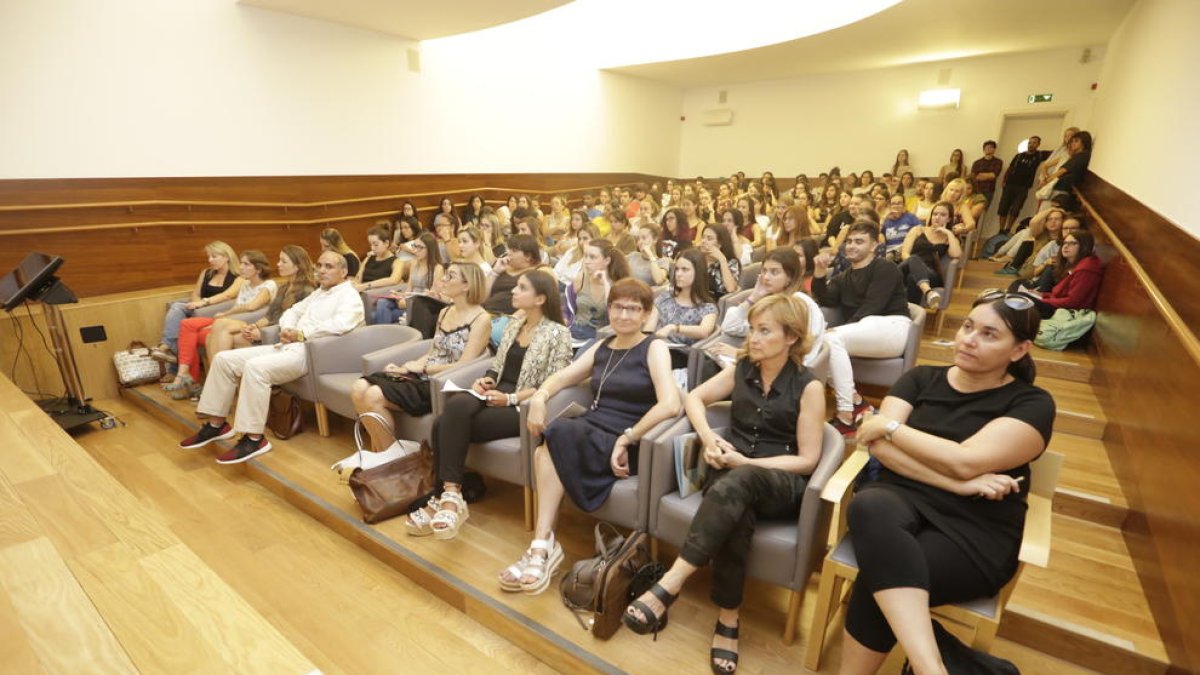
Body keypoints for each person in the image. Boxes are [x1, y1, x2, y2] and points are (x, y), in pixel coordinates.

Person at [837, 292, 1054, 675]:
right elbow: (880, 451)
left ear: (1019, 350)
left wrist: (891, 426)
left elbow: (965, 460)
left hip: (974, 529)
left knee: (882, 576)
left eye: (989, 334)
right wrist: (957, 483)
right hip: (899, 498)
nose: (969, 339)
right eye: (968, 327)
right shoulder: (920, 378)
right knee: (870, 507)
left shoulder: (1033, 403)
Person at [624, 294, 825, 673]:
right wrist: (709, 439)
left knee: (741, 480)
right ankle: (728, 618)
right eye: (752, 329)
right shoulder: (743, 367)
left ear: (792, 338)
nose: (754, 338)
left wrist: (746, 461)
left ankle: (671, 583)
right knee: (737, 506)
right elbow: (696, 398)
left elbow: (808, 459)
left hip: (781, 480)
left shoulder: (808, 386)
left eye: (765, 331)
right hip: (730, 469)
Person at [498, 279, 681, 595]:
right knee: (549, 445)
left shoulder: (654, 348)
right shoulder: (602, 347)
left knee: (555, 434)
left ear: (647, 314)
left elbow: (670, 403)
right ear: (609, 309)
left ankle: (542, 548)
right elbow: (563, 377)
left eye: (633, 309)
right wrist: (540, 397)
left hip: (628, 440)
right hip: (592, 431)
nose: (624, 315)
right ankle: (542, 545)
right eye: (618, 307)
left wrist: (627, 438)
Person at [411, 269, 572, 540]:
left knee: (443, 424)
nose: (513, 291)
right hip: (496, 393)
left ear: (540, 298)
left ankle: (444, 497)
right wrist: (486, 380)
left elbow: (554, 382)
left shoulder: (558, 333)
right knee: (456, 407)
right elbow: (497, 367)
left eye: (521, 288)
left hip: (522, 405)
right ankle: (451, 495)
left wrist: (510, 398)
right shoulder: (514, 324)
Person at [179, 251, 364, 464]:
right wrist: (287, 329)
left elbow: (341, 325)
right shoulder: (319, 293)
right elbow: (291, 312)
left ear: (344, 271)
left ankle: (254, 438)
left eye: (329, 266)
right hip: (288, 345)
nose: (322, 270)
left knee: (256, 368)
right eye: (320, 265)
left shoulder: (349, 296)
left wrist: (301, 334)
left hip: (312, 353)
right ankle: (216, 424)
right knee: (223, 360)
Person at [351, 263, 491, 450]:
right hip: (424, 373)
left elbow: (465, 365)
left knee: (373, 395)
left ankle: (387, 460)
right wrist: (406, 367)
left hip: (442, 382)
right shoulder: (445, 311)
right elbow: (434, 352)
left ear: (467, 285)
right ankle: (388, 455)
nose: (442, 280)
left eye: (450, 276)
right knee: (358, 387)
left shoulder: (481, 319)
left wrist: (423, 369)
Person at [813, 222, 911, 438]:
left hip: (893, 327)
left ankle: (846, 414)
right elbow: (827, 298)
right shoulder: (844, 276)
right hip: (864, 329)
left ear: (874, 245)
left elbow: (872, 307)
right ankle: (856, 402)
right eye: (849, 241)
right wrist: (820, 274)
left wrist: (837, 332)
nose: (851, 246)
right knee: (820, 343)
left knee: (830, 340)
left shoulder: (885, 268)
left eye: (859, 241)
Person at [164, 250, 277, 399]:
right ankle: (184, 376)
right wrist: (225, 313)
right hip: (229, 319)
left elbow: (251, 307)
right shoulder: (245, 283)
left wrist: (225, 314)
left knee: (194, 336)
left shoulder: (268, 285)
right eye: (241, 263)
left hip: (243, 322)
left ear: (258, 268)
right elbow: (234, 301)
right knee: (186, 325)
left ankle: (192, 382)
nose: (241, 267)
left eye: (246, 264)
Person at [711, 248, 826, 369]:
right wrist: (754, 296)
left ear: (790, 278)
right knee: (712, 356)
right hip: (765, 364)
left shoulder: (800, 302)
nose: (766, 277)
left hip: (787, 373)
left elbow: (799, 355)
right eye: (764, 271)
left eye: (774, 272)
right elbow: (729, 326)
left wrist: (740, 355)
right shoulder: (769, 300)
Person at [206, 246, 315, 364]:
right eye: (279, 260)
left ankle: (217, 378)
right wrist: (255, 326)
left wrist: (262, 333)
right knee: (214, 335)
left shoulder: (307, 291)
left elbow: (296, 325)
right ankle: (221, 379)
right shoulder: (284, 288)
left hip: (279, 336)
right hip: (266, 330)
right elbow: (269, 316)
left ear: (297, 266)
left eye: (283, 261)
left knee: (221, 327)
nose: (278, 264)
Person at [151, 241, 238, 367]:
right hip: (200, 307)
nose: (210, 260)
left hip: (217, 310)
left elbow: (228, 295)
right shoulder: (206, 272)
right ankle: (169, 351)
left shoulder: (237, 276)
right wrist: (196, 303)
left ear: (226, 257)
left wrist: (203, 303)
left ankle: (168, 349)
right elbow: (196, 293)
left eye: (214, 256)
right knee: (176, 308)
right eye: (209, 256)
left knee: (177, 309)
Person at [648, 248, 717, 368]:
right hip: (656, 350)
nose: (678, 274)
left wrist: (674, 328)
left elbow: (704, 331)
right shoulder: (666, 296)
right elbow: (649, 327)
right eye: (677, 269)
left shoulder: (708, 308)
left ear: (698, 272)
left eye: (685, 269)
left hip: (680, 359)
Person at [1010, 231, 1103, 319]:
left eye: (1072, 243)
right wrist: (1042, 295)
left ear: (1084, 246)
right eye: (1065, 243)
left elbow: (1072, 302)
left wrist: (1042, 300)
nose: (1066, 246)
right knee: (1018, 286)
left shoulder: (1086, 268)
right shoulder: (1077, 264)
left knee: (1019, 297)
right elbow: (1061, 295)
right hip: (1057, 305)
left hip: (1063, 311)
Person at [899, 202, 963, 310]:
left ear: (949, 219)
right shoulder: (918, 230)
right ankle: (928, 293)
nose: (937, 217)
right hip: (907, 267)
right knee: (914, 259)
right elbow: (905, 254)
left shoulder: (949, 238)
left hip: (930, 274)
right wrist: (915, 265)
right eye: (935, 214)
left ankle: (907, 314)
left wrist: (949, 233)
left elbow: (956, 254)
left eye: (943, 215)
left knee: (913, 278)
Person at [372, 232, 443, 325]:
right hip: (408, 300)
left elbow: (432, 298)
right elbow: (409, 288)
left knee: (376, 315)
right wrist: (400, 295)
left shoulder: (437, 268)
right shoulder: (414, 263)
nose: (415, 250)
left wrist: (407, 302)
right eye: (414, 246)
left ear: (430, 249)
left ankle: (383, 336)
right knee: (382, 302)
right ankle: (386, 335)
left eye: (420, 247)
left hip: (420, 305)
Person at [569, 239, 630, 340]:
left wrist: (606, 284)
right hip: (575, 333)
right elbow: (567, 310)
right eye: (585, 256)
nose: (587, 261)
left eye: (592, 257)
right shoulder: (581, 278)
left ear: (607, 261)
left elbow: (615, 317)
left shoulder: (617, 285)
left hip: (601, 337)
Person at [997, 136, 1050, 233]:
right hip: (1010, 184)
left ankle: (1008, 229)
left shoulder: (1040, 155)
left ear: (1038, 144)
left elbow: (1055, 153)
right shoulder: (1019, 156)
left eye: (1034, 142)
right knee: (1003, 207)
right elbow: (1010, 169)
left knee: (1016, 209)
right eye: (1030, 142)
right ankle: (1001, 230)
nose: (1031, 144)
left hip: (1023, 187)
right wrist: (1004, 181)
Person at [482, 234, 543, 315]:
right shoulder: (502, 268)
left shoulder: (536, 273)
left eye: (514, 250)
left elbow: (533, 304)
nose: (508, 253)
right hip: (485, 313)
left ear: (528, 256)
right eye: (508, 249)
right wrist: (495, 272)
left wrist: (511, 322)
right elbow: (482, 298)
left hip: (508, 319)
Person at [355, 226, 405, 323]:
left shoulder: (397, 261)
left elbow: (394, 279)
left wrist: (366, 286)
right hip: (365, 297)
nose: (372, 248)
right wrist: (354, 284)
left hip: (383, 297)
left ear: (386, 243)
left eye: (376, 245)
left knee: (376, 314)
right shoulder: (368, 259)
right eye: (370, 245)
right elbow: (358, 278)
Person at [1042, 131, 1093, 200]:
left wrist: (1045, 182)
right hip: (1060, 188)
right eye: (1072, 141)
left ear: (1084, 142)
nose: (1073, 144)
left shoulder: (1082, 155)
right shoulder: (1078, 155)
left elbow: (1061, 171)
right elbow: (1046, 166)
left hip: (1061, 190)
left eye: (1076, 141)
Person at [699, 219, 742, 302]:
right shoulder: (696, 257)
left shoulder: (731, 262)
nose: (703, 241)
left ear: (720, 244)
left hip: (713, 304)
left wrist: (722, 260)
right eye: (703, 237)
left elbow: (731, 289)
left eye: (709, 238)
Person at [970, 141, 1003, 206]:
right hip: (976, 190)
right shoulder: (977, 162)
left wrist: (979, 174)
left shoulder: (998, 162)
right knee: (972, 208)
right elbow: (973, 176)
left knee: (984, 210)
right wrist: (988, 175)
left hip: (989, 190)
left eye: (990, 147)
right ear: (983, 149)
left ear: (994, 149)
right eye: (986, 147)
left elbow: (994, 175)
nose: (988, 149)